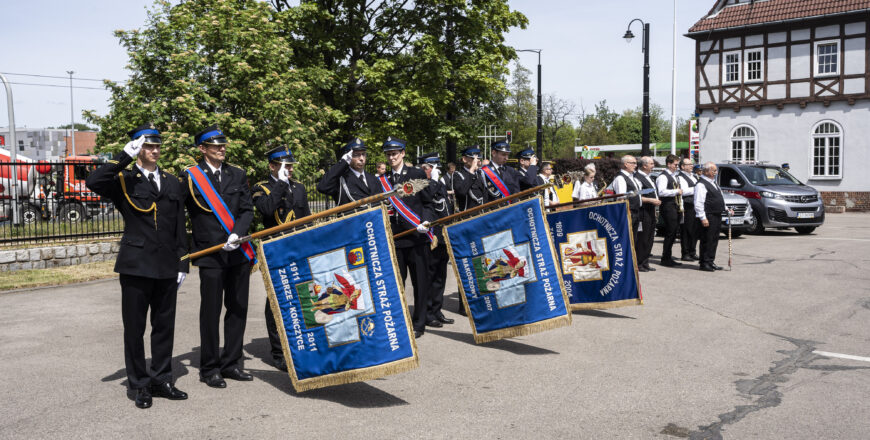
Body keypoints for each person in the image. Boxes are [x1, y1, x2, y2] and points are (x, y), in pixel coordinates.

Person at [85, 123, 189, 409]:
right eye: (148, 146)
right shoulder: (124, 180)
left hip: (168, 263)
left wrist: (183, 261)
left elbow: (180, 224)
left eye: (157, 146)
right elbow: (93, 183)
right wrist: (122, 158)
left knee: (164, 326)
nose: (155, 151)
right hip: (136, 264)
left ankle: (162, 378)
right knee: (134, 328)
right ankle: (139, 385)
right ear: (137, 148)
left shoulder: (171, 181)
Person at [183, 125, 255, 388]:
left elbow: (247, 210)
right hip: (210, 253)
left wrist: (237, 234)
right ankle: (209, 367)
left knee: (238, 308)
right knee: (211, 312)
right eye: (215, 146)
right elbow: (181, 214)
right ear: (202, 149)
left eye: (223, 145)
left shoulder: (237, 174)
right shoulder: (191, 177)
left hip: (237, 253)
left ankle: (232, 363)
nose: (222, 149)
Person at [252, 145, 311, 372]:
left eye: (291, 166)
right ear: (273, 166)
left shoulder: (300, 187)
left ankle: (300, 346)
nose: (289, 170)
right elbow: (266, 210)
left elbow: (305, 218)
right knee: (277, 300)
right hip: (276, 250)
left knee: (301, 297)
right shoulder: (262, 188)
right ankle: (279, 351)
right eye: (285, 166)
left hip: (298, 248)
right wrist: (279, 184)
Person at [378, 137, 434, 338]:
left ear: (403, 153)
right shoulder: (383, 180)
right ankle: (399, 321)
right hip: (395, 240)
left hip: (417, 238)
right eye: (389, 154)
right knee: (397, 284)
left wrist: (426, 222)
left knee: (420, 282)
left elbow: (428, 203)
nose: (391, 157)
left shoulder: (415, 174)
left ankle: (419, 323)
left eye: (395, 153)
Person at [419, 153, 455, 328]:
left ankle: (436, 309)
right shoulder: (422, 184)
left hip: (442, 235)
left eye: (435, 168)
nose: (435, 171)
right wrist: (432, 180)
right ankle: (426, 313)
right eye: (432, 168)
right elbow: (427, 198)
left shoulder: (439, 183)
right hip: (431, 236)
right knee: (430, 275)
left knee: (441, 275)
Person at [316, 138, 381, 205]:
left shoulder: (374, 180)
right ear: (348, 156)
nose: (361, 158)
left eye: (363, 154)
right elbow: (322, 187)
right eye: (356, 155)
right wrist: (343, 163)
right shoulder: (341, 180)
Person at [694, 162, 728, 271]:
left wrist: (726, 208)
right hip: (708, 215)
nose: (716, 172)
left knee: (714, 239)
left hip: (716, 214)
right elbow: (698, 202)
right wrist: (703, 217)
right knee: (707, 239)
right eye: (713, 170)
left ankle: (710, 260)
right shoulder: (701, 184)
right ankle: (704, 263)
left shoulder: (713, 182)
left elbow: (719, 198)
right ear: (707, 171)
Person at [655, 154, 684, 267]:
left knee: (673, 233)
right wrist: (676, 191)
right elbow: (661, 192)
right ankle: (665, 258)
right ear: (669, 164)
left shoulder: (674, 175)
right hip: (668, 206)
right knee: (670, 232)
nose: (677, 167)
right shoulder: (663, 176)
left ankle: (668, 256)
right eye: (675, 164)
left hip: (675, 206)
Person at [634, 156, 660, 272]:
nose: (653, 166)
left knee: (649, 238)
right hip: (643, 211)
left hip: (651, 210)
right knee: (642, 238)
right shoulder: (638, 177)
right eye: (651, 164)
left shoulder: (649, 177)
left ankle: (645, 262)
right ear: (644, 165)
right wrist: (651, 200)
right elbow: (637, 195)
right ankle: (639, 263)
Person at [611, 156, 642, 252]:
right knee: (626, 238)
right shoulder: (621, 178)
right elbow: (621, 198)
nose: (635, 165)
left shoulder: (631, 177)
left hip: (635, 211)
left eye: (636, 163)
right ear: (626, 164)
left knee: (634, 239)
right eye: (633, 163)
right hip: (628, 212)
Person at [677, 158, 700, 261]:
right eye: (689, 164)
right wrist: (698, 189)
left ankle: (692, 251)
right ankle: (685, 253)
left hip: (695, 205)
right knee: (686, 230)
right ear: (682, 166)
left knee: (695, 230)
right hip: (687, 206)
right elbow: (684, 191)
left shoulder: (694, 176)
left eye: (692, 164)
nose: (691, 166)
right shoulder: (680, 177)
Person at [452, 146, 487, 212]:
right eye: (473, 158)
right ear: (464, 159)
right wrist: (471, 171)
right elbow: (461, 192)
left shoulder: (480, 173)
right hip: (468, 216)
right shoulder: (458, 175)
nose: (477, 160)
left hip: (482, 214)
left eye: (479, 158)